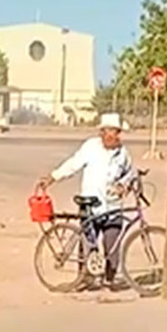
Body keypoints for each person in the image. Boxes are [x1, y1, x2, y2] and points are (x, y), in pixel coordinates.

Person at [37, 113, 135, 286]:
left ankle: (109, 278)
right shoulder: (91, 147)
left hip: (112, 207)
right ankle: (85, 278)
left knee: (112, 245)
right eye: (111, 131)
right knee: (87, 243)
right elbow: (73, 164)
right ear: (103, 132)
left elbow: (130, 173)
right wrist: (53, 177)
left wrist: (123, 185)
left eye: (117, 132)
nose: (114, 136)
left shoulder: (123, 154)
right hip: (90, 204)